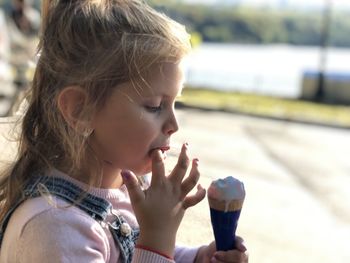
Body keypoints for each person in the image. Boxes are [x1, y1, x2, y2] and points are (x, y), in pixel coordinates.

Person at [0, 1, 249, 262]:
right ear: (80, 110)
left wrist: (198, 257)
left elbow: (135, 252)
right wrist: (158, 235)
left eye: (175, 103)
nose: (173, 124)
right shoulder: (54, 227)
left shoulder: (122, 190)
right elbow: (148, 250)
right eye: (155, 106)